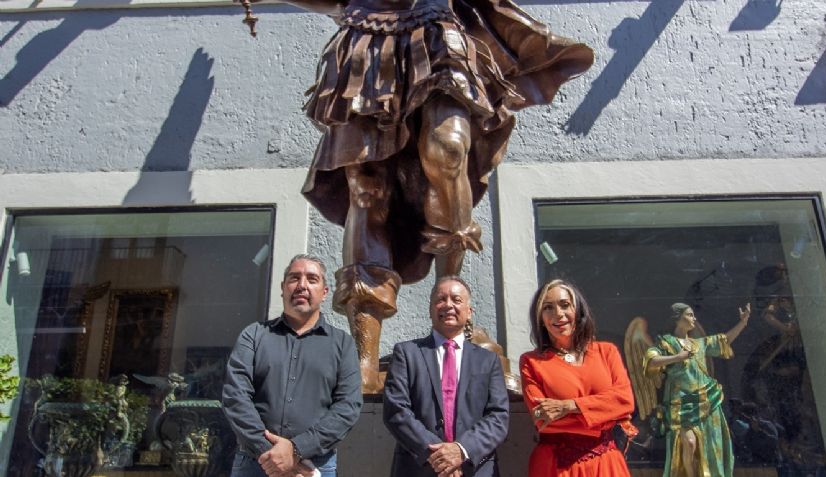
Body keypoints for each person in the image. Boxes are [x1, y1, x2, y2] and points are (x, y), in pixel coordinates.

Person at [238, 0, 594, 393]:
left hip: (438, 31)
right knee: (367, 189)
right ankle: (366, 359)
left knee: (448, 150)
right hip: (368, 41)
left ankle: (455, 321)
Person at [222, 254, 363, 477]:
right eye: (294, 278)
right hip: (254, 463)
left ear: (324, 293)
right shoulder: (254, 336)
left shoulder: (343, 344)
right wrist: (272, 454)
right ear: (283, 287)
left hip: (315, 466)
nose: (302, 285)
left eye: (312, 279)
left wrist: (297, 450)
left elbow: (348, 407)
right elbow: (235, 397)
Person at [383, 276, 509, 477]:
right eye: (441, 299)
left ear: (469, 312)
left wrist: (461, 450)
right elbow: (396, 410)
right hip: (419, 468)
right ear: (431, 309)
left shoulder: (488, 360)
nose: (448, 305)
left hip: (474, 469)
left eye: (456, 300)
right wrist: (438, 456)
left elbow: (498, 417)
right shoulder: (406, 354)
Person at [519, 279, 636, 477]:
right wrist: (604, 416)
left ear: (578, 310)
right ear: (540, 318)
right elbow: (543, 420)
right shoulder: (531, 362)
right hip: (557, 467)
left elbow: (624, 401)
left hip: (607, 465)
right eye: (548, 307)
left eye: (565, 305)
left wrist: (569, 406)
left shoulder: (607, 352)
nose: (558, 314)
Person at [644, 302, 750, 477]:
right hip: (682, 403)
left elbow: (724, 340)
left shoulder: (699, 343)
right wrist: (677, 357)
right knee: (689, 443)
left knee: (710, 445)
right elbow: (651, 362)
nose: (694, 318)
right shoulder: (666, 343)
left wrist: (743, 323)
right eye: (690, 314)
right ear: (678, 318)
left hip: (707, 400)